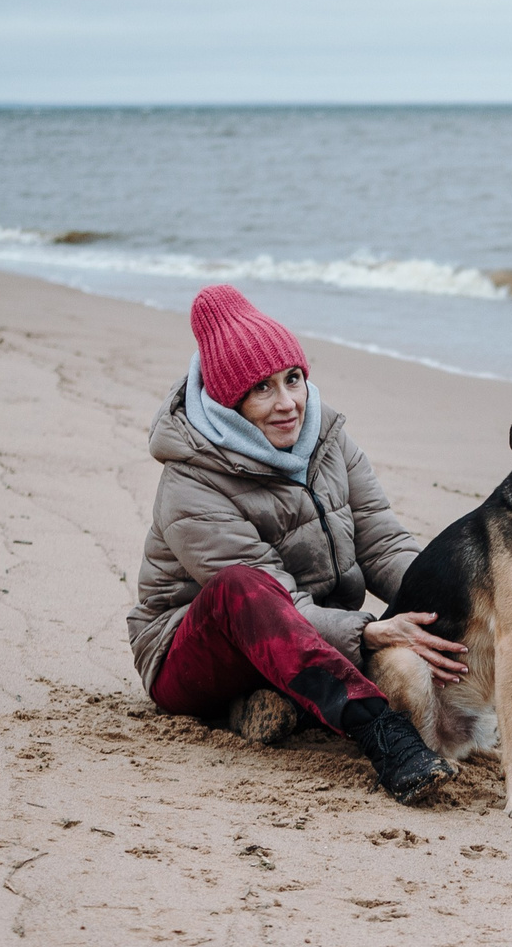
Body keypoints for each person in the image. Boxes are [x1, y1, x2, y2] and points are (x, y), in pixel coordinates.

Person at [127, 285, 465, 802]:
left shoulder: (328, 439)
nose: (288, 404)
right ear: (229, 402)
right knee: (243, 585)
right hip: (189, 656)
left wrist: (454, 595)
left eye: (294, 379)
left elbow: (382, 543)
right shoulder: (190, 482)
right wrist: (372, 632)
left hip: (304, 639)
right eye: (262, 388)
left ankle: (269, 700)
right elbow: (277, 602)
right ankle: (382, 734)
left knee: (450, 592)